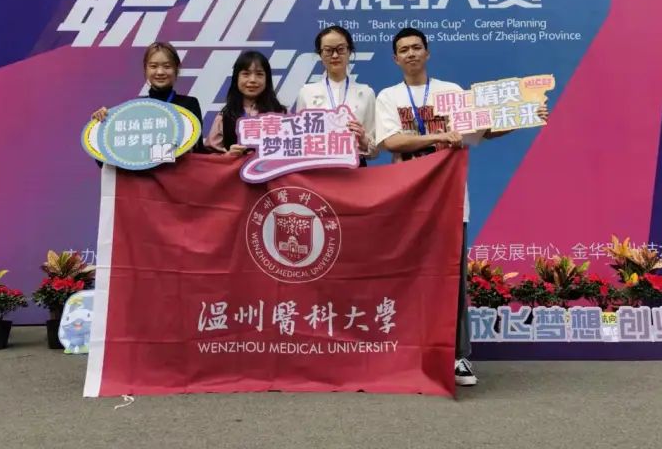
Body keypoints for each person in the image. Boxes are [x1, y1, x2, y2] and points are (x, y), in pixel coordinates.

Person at [375, 27, 548, 387]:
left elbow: (484, 129)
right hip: (406, 199)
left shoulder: (451, 93)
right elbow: (392, 140)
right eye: (403, 50)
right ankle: (406, 351)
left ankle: (457, 356)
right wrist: (440, 135)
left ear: (427, 53)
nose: (410, 54)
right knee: (406, 276)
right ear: (395, 58)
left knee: (452, 279)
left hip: (449, 199)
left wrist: (523, 115)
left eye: (416, 47)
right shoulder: (388, 97)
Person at [91, 42, 205, 152]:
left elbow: (197, 150)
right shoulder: (134, 108)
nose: (160, 72)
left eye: (167, 66)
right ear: (145, 69)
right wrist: (101, 124)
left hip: (179, 166)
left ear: (177, 69)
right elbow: (115, 155)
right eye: (153, 66)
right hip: (143, 166)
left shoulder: (190, 104)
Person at [294, 25, 378, 164]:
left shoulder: (366, 93)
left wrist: (363, 140)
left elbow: (375, 151)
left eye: (340, 49)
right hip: (319, 168)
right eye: (328, 50)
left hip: (355, 169)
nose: (334, 55)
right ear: (320, 54)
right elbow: (299, 139)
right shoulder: (307, 92)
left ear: (349, 51)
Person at [205, 50, 287, 154]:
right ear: (236, 78)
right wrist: (228, 155)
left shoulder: (281, 114)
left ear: (267, 79)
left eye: (259, 74)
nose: (252, 80)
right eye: (246, 74)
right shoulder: (225, 116)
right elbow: (209, 156)